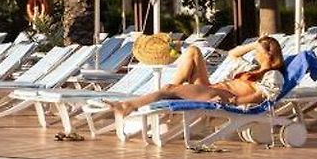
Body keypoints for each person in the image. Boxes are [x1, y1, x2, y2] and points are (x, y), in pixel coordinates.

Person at [109, 36, 287, 118]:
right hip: (211, 88)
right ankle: (169, 96)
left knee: (169, 89)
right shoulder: (251, 68)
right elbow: (233, 54)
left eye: (258, 51)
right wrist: (255, 44)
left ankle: (130, 106)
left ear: (268, 55)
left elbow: (260, 96)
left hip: (219, 96)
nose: (254, 53)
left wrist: (231, 102)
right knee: (193, 50)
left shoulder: (273, 75)